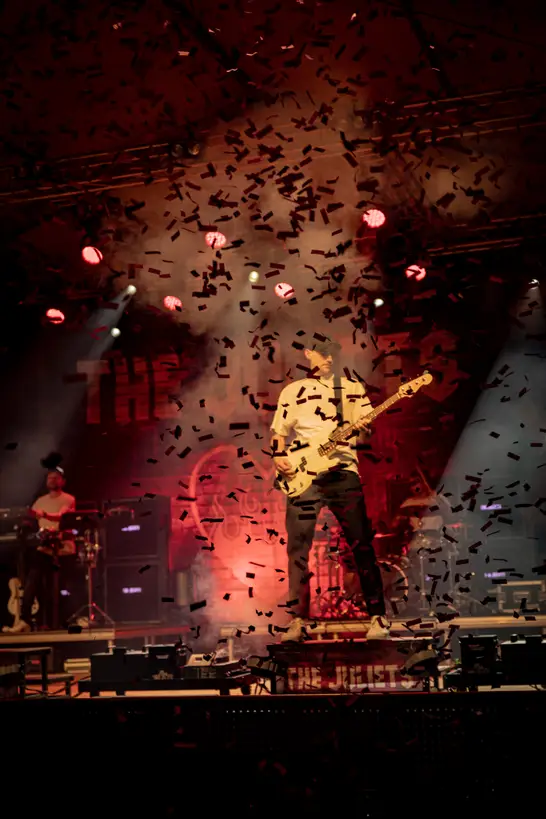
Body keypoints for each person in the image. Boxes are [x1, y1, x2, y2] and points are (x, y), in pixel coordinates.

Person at [270, 337, 390, 641]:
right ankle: (298, 620)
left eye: (332, 354)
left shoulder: (351, 387)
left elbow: (366, 432)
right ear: (308, 354)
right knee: (298, 549)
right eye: (323, 354)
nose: (328, 359)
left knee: (361, 543)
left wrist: (364, 428)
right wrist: (279, 457)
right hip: (303, 475)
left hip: (342, 472)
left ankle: (378, 616)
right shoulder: (292, 391)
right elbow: (278, 433)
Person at [3, 468, 76, 634]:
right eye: (49, 477)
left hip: (63, 549)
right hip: (44, 548)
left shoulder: (68, 499)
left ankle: (68, 619)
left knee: (64, 586)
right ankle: (24, 620)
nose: (52, 480)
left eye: (56, 477)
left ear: (63, 481)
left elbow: (61, 516)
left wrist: (44, 515)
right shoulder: (40, 501)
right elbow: (31, 517)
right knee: (32, 580)